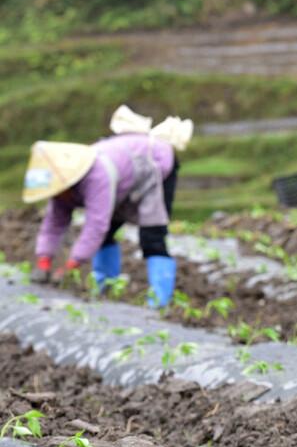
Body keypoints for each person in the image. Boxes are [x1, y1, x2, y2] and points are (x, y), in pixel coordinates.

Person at [25, 105, 193, 308]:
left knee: (152, 236)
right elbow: (53, 224)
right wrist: (44, 261)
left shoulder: (96, 175)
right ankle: (104, 289)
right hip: (123, 175)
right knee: (106, 235)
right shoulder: (62, 189)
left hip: (154, 164)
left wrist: (71, 266)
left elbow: (96, 224)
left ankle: (158, 301)